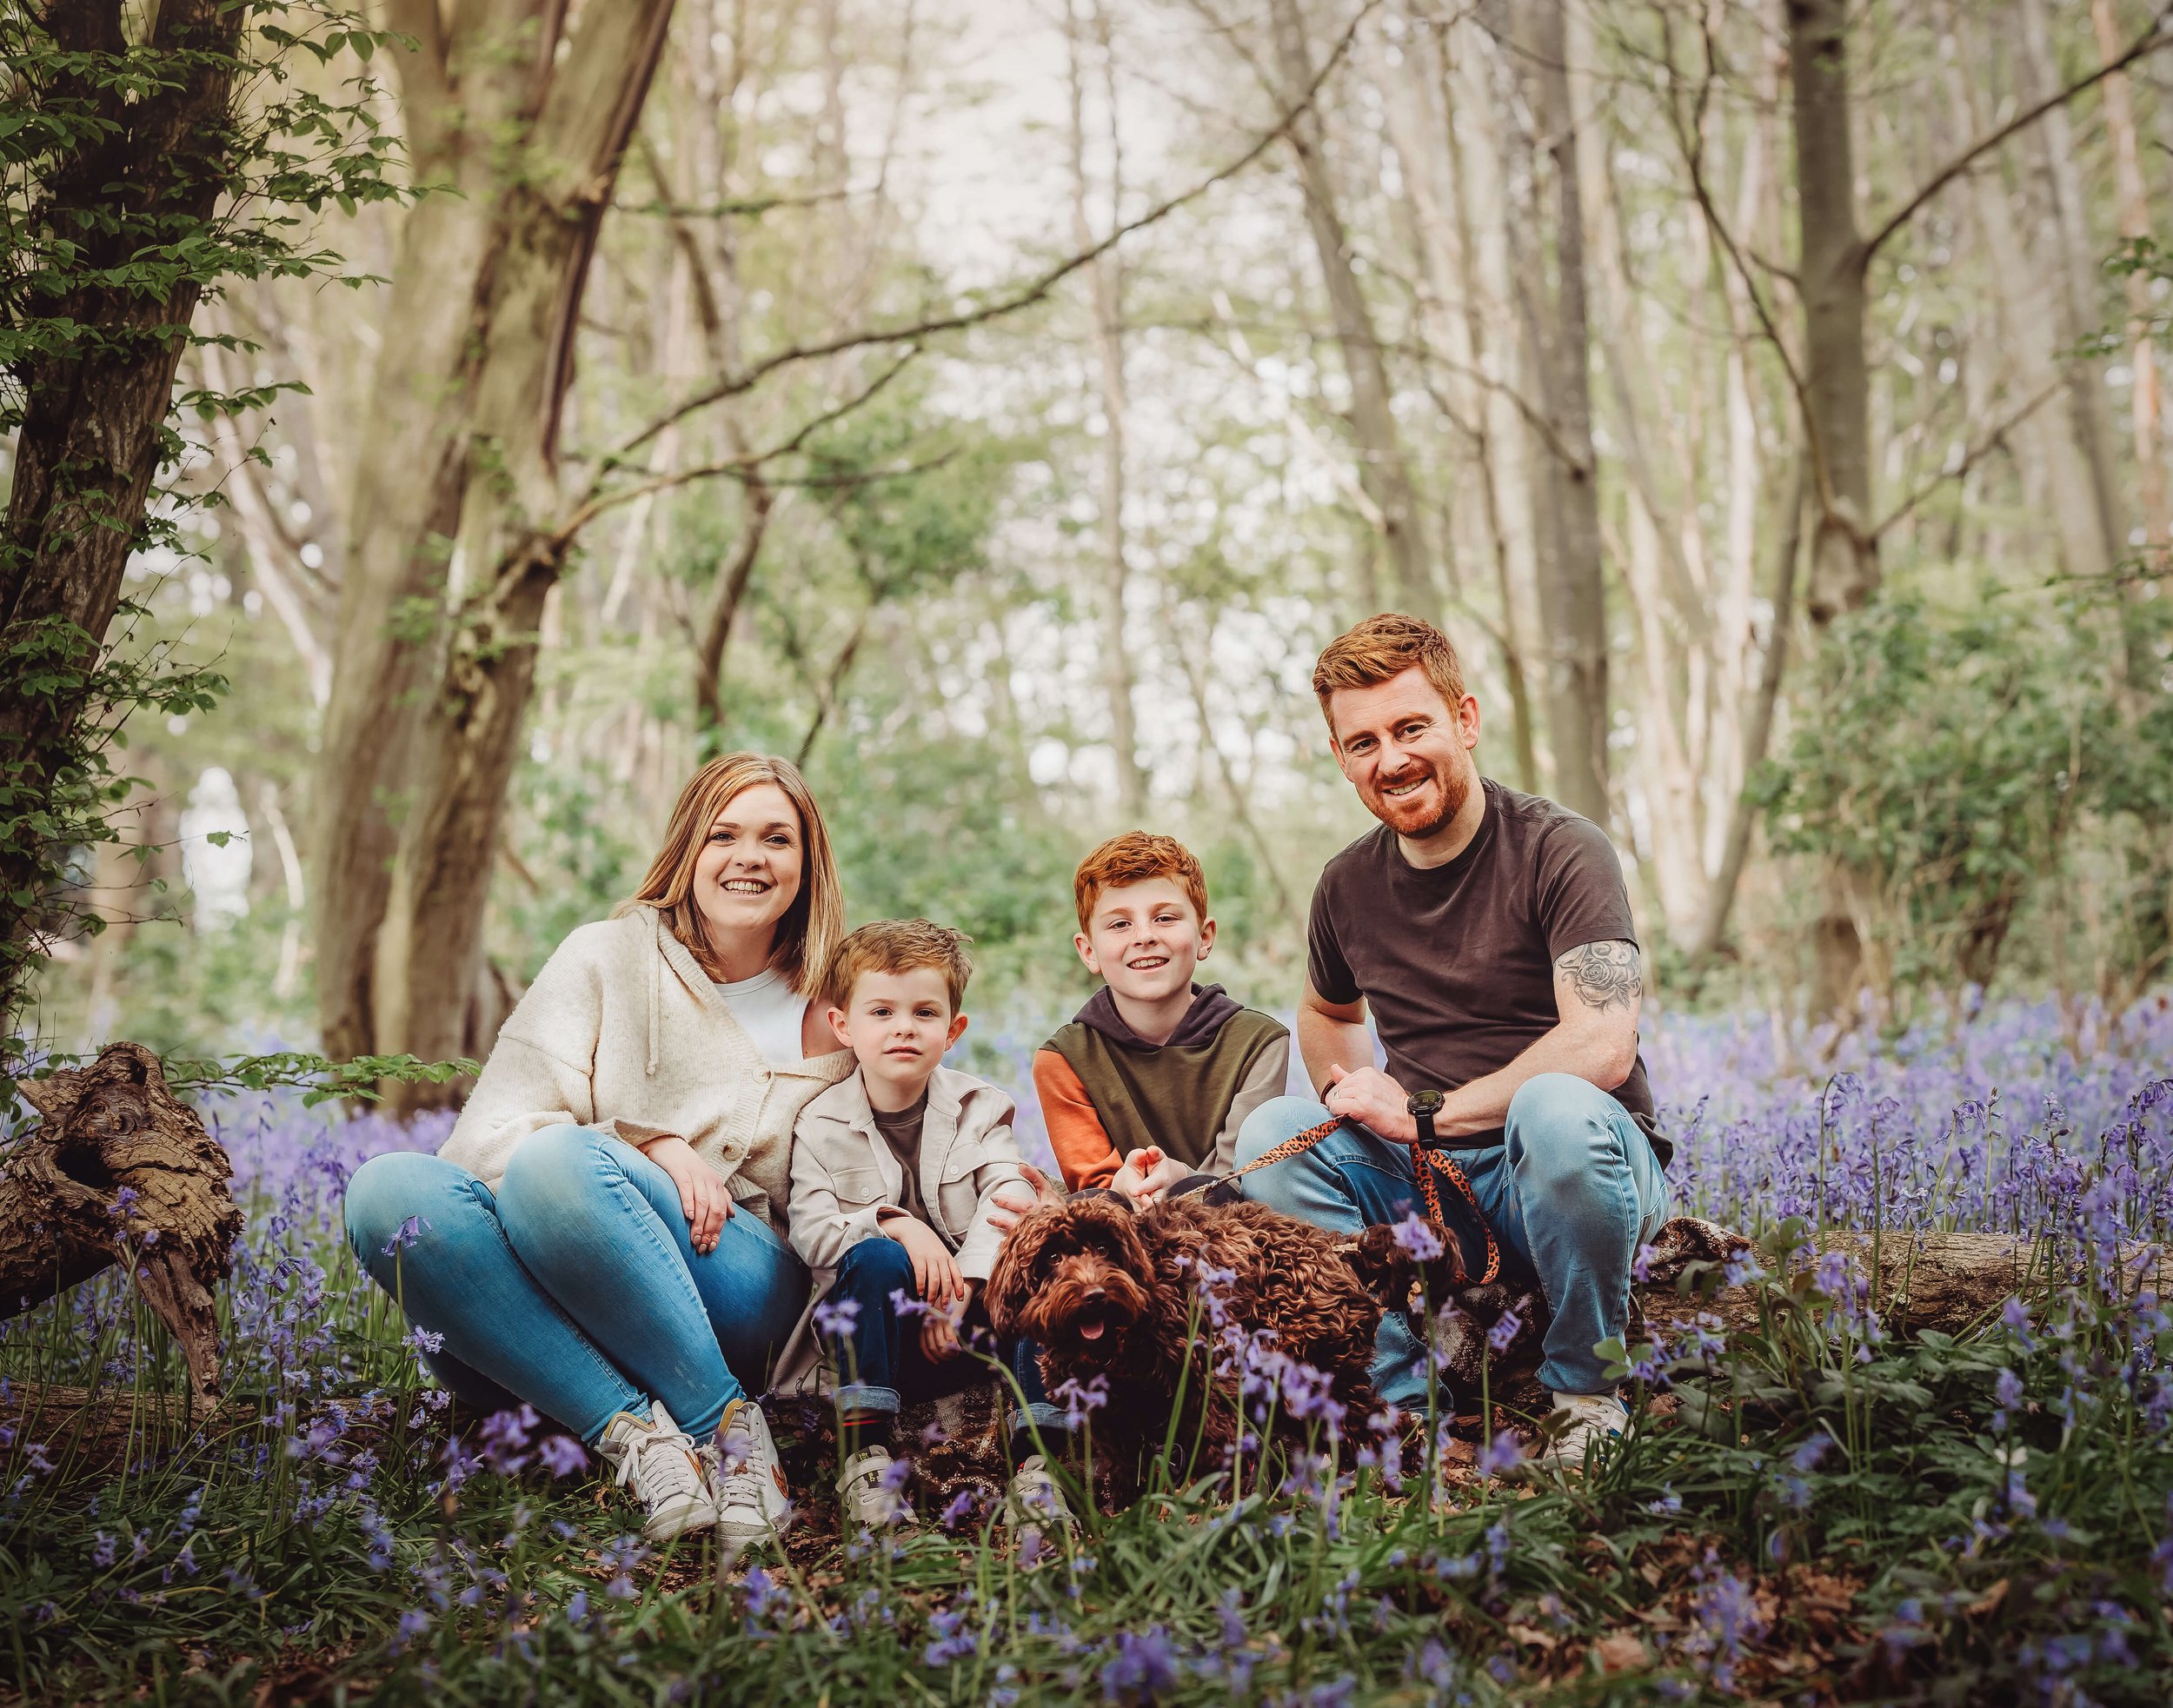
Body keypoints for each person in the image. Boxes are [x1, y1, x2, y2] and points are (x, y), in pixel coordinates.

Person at [342, 752, 855, 1547]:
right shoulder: (604, 956)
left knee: (561, 1163)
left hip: (744, 1300)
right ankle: (635, 1436)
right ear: (687, 849)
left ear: (807, 862)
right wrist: (653, 1147)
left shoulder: (844, 998)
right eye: (724, 834)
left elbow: (904, 1146)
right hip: (554, 1312)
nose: (749, 856)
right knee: (387, 1192)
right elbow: (484, 1141)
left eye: (776, 839)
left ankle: (726, 1425)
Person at [1234, 613, 1671, 1468]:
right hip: (1431, 1185)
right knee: (1267, 1138)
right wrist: (1348, 1093)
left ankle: (1585, 1395)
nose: (1390, 760)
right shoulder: (1347, 886)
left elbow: (1601, 1045)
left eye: (1410, 728)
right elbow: (1326, 1014)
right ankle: (1400, 1408)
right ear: (1339, 758)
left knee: (1553, 1109)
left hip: (1569, 1166)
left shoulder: (1562, 848)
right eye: (1361, 742)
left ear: (1464, 721)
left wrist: (1425, 1115)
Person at [776, 920, 1073, 1532]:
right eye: (881, 1010)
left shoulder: (980, 1106)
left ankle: (1039, 1469)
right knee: (875, 1255)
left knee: (1035, 1260)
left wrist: (965, 1286)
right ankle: (865, 1460)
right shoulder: (818, 1123)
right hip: (882, 1336)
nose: (903, 1026)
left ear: (953, 1029)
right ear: (844, 1027)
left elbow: (1010, 1188)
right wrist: (896, 1223)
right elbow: (810, 1230)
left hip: (969, 1326)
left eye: (924, 1011)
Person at [1033, 832, 1291, 1201]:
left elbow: (1242, 1180)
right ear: (1088, 951)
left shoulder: (1258, 1043)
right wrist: (1122, 1187)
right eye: (1120, 924)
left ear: (1204, 937)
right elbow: (1094, 1191)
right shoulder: (1062, 1060)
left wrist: (1183, 1178)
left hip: (1233, 1234)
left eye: (1165, 918)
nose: (1144, 936)